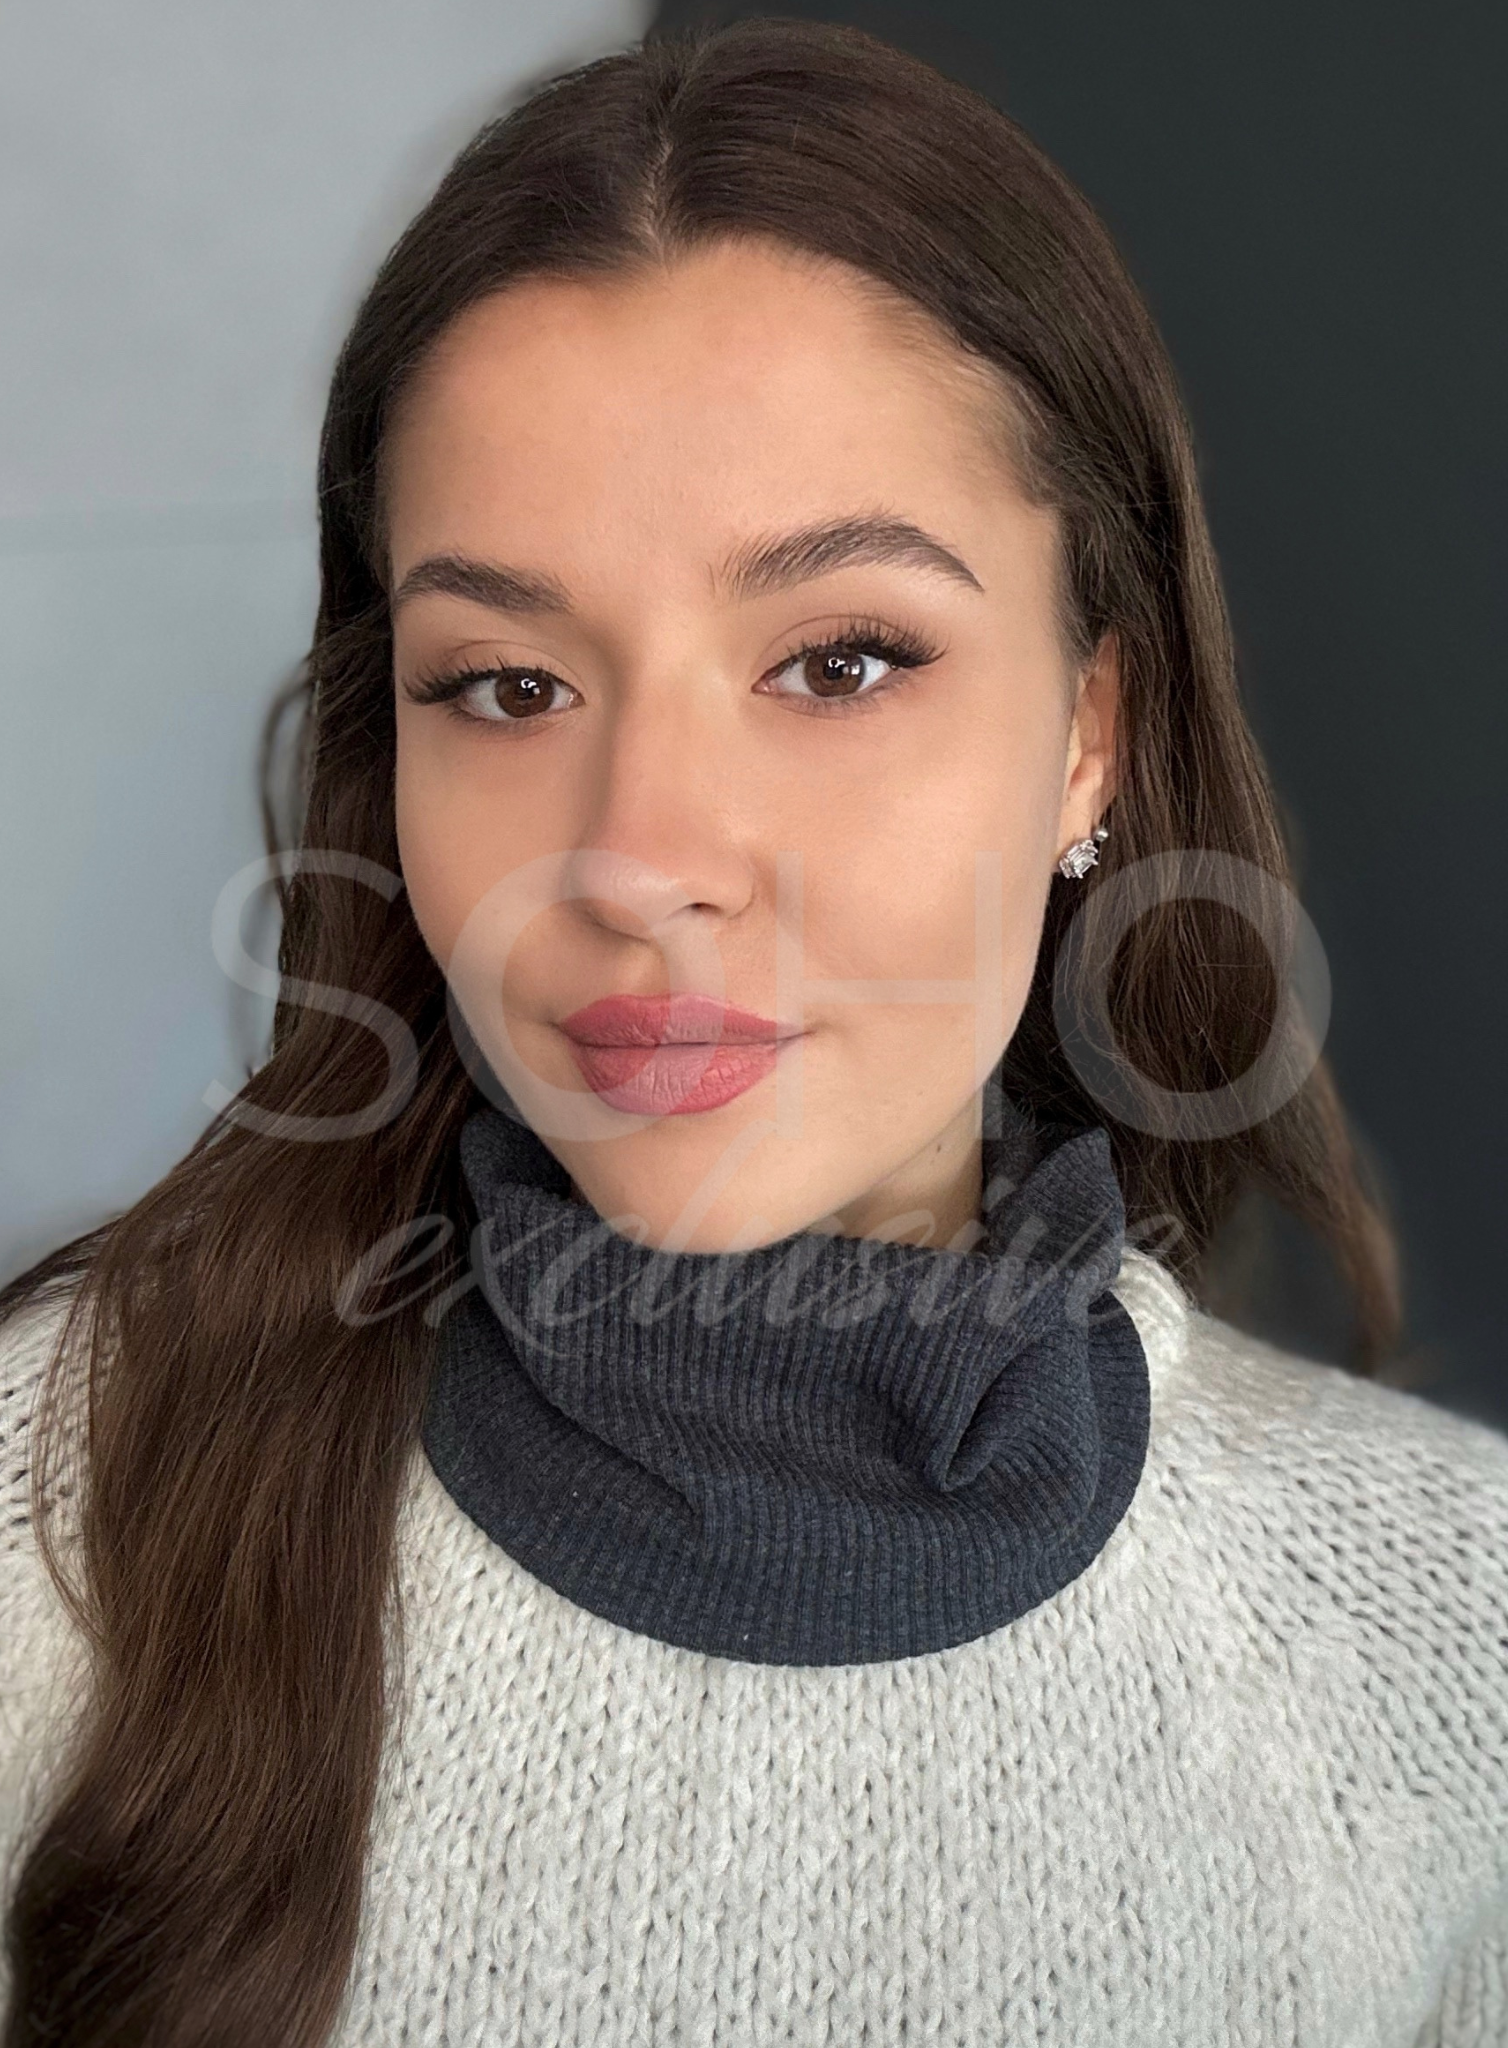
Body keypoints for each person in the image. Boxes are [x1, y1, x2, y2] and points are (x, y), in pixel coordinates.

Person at [2, 18, 1505, 2045]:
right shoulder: (47, 1532)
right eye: (507, 685)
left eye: (840, 662)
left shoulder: (1452, 1643)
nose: (638, 861)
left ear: (1090, 732)